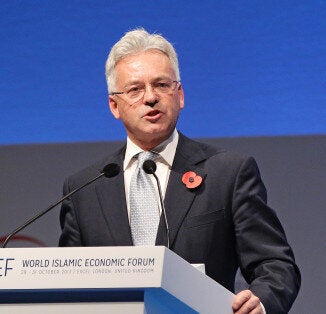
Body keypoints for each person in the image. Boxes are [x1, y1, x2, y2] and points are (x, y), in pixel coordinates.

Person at [59, 28, 300, 314]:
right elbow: (68, 287)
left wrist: (261, 301)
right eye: (135, 89)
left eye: (161, 85)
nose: (150, 98)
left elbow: (275, 264)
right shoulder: (84, 189)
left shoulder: (228, 173)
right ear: (114, 105)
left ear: (180, 94)